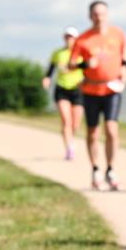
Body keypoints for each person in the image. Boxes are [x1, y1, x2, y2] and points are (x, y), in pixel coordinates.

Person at [70, 1, 126, 190]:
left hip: (112, 89)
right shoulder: (83, 39)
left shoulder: (118, 34)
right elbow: (71, 64)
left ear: (107, 15)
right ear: (90, 16)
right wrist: (86, 64)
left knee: (111, 129)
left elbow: (125, 59)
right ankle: (95, 168)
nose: (99, 17)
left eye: (102, 14)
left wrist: (125, 72)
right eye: (95, 14)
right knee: (93, 131)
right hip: (91, 90)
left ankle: (110, 169)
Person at [42, 27, 85, 160]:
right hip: (62, 88)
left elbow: (88, 68)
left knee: (75, 124)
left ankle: (71, 139)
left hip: (78, 89)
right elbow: (51, 68)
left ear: (76, 39)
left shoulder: (81, 53)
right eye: (67, 36)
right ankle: (69, 148)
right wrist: (47, 78)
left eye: (71, 37)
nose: (69, 39)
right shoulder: (58, 53)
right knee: (66, 120)